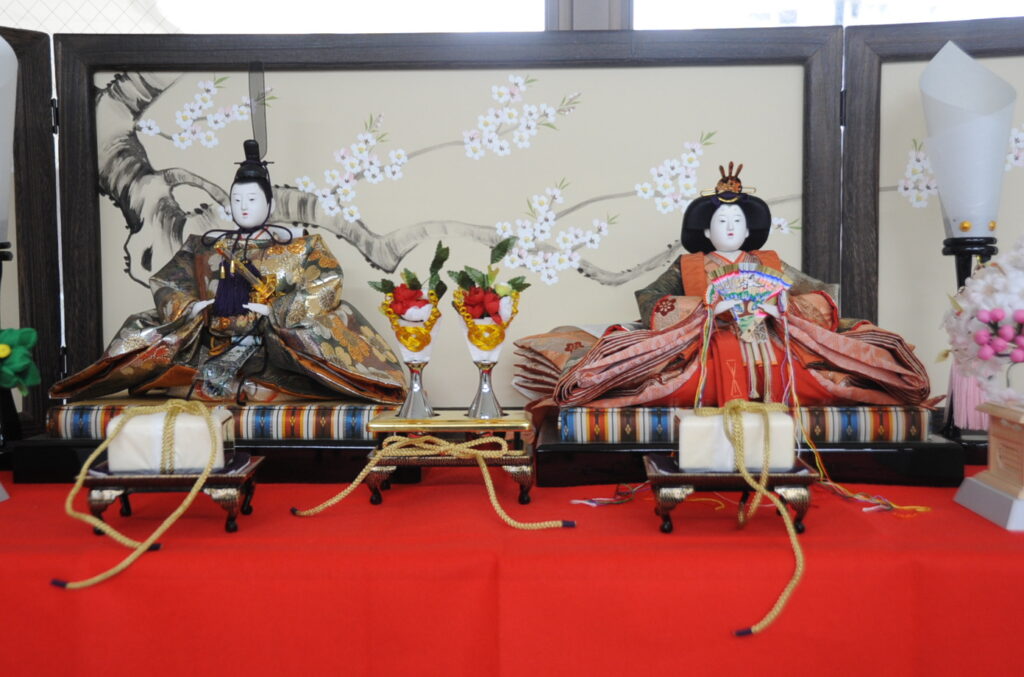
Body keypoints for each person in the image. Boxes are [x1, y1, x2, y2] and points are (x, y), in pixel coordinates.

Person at [517, 163, 931, 409]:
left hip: (771, 334)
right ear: (705, 230)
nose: (730, 228)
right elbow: (650, 299)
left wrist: (779, 307)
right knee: (685, 372)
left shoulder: (769, 264)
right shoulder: (689, 265)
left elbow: (822, 292)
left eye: (737, 222)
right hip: (706, 337)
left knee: (804, 370)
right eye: (721, 222)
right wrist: (706, 310)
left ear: (750, 230)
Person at [51, 140, 406, 404]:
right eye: (237, 200)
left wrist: (277, 310)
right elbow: (167, 281)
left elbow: (326, 281)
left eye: (251, 200)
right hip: (211, 338)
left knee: (326, 328)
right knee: (146, 331)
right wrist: (192, 307)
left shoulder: (300, 246)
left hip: (272, 343)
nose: (243, 207)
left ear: (268, 203)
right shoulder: (206, 244)